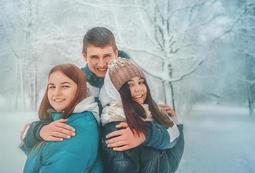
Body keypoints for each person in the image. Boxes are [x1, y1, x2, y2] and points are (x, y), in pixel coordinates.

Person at [22, 27, 179, 152]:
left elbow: (172, 133)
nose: (102, 63)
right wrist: (38, 130)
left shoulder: (137, 80)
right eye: (95, 57)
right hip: (94, 168)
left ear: (116, 53)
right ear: (84, 56)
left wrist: (149, 130)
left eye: (107, 56)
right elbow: (50, 119)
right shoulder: (77, 85)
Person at [11, 64, 102, 173]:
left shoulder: (74, 129)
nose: (56, 93)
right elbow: (48, 157)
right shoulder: (66, 120)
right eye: (52, 86)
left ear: (80, 89)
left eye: (65, 86)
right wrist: (35, 131)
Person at [100, 58, 184, 173]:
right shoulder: (117, 127)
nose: (138, 89)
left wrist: (170, 121)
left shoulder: (150, 114)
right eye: (130, 85)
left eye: (141, 82)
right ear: (115, 90)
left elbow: (171, 164)